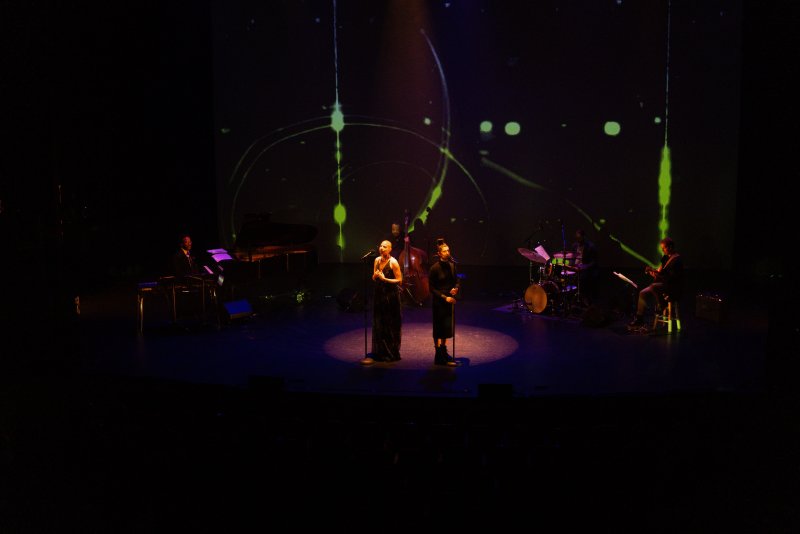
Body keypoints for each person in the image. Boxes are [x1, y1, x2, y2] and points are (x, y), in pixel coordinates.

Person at [361, 240, 403, 365]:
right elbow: (374, 277)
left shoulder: (393, 262)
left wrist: (384, 279)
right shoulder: (377, 260)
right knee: (380, 323)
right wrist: (375, 276)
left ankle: (390, 351)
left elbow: (399, 280)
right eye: (380, 246)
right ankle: (380, 351)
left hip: (391, 296)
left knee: (389, 323)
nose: (381, 248)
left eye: (384, 247)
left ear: (390, 249)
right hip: (379, 294)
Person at [629, 237, 684, 327]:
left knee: (654, 286)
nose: (663, 250)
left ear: (670, 247)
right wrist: (652, 271)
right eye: (662, 249)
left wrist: (657, 274)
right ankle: (639, 319)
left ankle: (662, 306)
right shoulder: (665, 258)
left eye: (664, 248)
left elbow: (671, 279)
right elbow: (659, 274)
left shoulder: (677, 260)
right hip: (663, 284)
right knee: (642, 293)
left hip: (672, 287)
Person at [429, 242, 460, 366]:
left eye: (448, 250)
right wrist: (444, 297)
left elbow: (457, 281)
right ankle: (438, 353)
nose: (447, 252)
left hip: (449, 299)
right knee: (438, 327)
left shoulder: (452, 266)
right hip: (439, 300)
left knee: (447, 327)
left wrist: (455, 289)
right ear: (439, 253)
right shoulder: (434, 268)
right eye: (445, 251)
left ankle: (443, 350)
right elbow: (432, 288)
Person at [572, 228, 599, 306]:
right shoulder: (574, 246)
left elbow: (594, 262)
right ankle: (573, 300)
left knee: (583, 278)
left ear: (584, 237)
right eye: (577, 238)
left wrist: (585, 266)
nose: (578, 240)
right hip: (576, 268)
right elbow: (572, 257)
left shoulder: (591, 246)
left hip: (586, 269)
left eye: (579, 238)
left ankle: (584, 300)